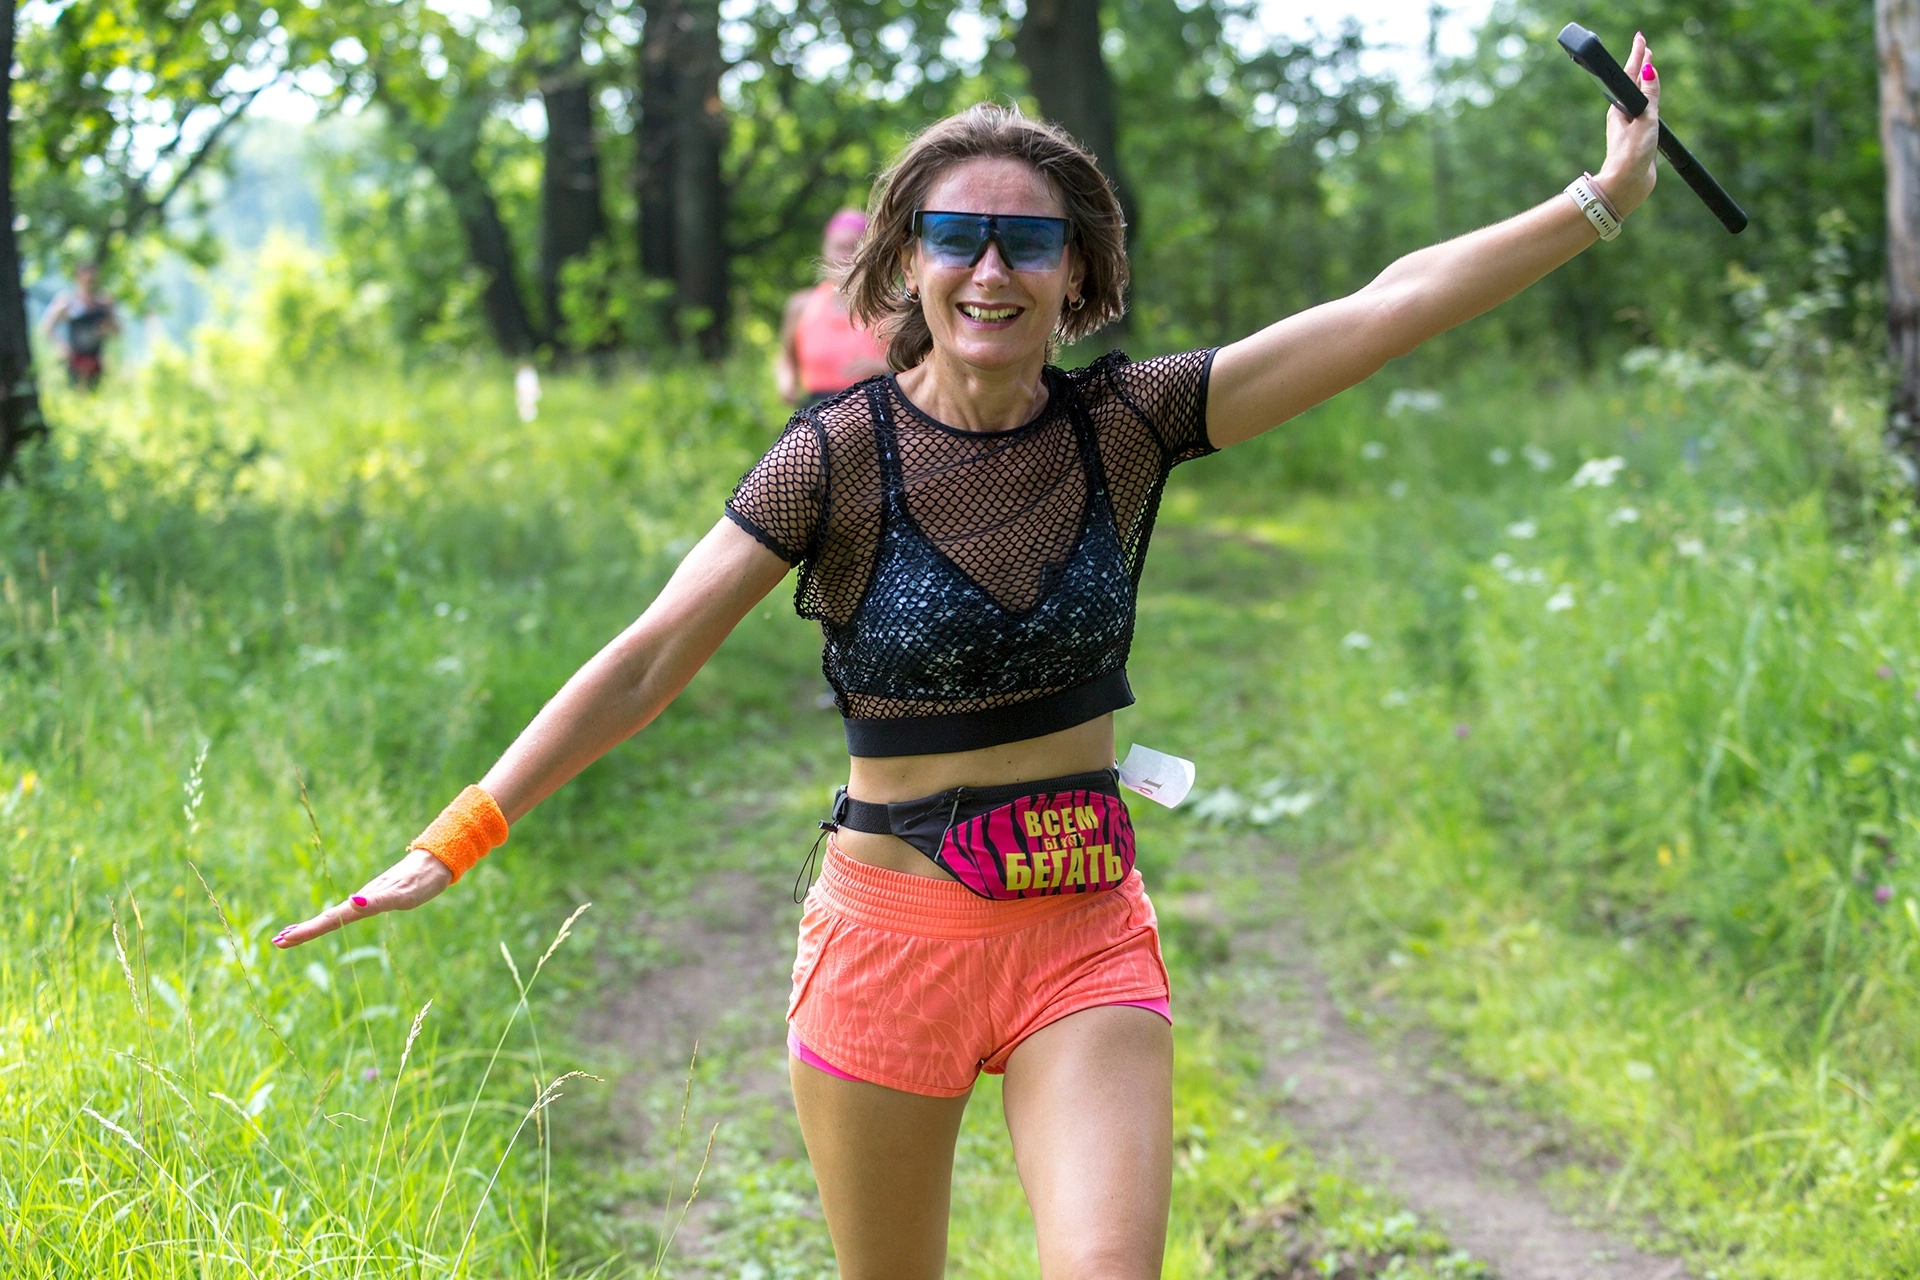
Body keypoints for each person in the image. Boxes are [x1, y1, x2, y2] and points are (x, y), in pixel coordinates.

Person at [275, 38, 1663, 1280]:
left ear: (1077, 275)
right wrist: (458, 837)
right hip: (891, 943)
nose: (991, 270)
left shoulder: (1128, 425)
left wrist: (1597, 201)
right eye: (957, 236)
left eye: (1028, 242)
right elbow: (647, 660)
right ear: (907, 263)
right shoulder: (834, 458)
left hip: (1082, 928)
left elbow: (1386, 305)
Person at [776, 209, 891, 406]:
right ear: (825, 249)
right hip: (817, 408)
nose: (845, 255)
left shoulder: (889, 305)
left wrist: (882, 367)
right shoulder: (802, 305)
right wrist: (787, 382)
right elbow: (786, 357)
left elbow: (916, 365)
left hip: (873, 407)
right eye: (838, 247)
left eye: (852, 247)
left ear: (869, 252)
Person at [39, 263, 119, 389]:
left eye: (92, 278)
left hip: (97, 360)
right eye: (87, 278)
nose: (90, 281)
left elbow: (117, 330)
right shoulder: (67, 301)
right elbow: (47, 326)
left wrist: (105, 329)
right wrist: (61, 347)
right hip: (74, 360)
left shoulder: (103, 303)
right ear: (78, 277)